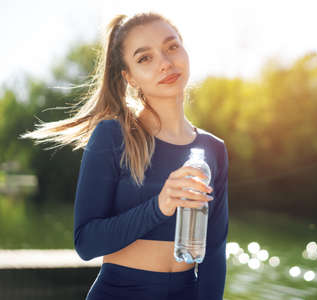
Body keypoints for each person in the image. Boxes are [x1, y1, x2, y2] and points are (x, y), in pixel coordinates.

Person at [20, 11, 229, 300]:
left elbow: (215, 252)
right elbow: (86, 243)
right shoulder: (112, 136)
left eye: (171, 47)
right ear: (129, 77)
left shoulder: (213, 148)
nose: (165, 63)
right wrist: (161, 205)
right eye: (145, 58)